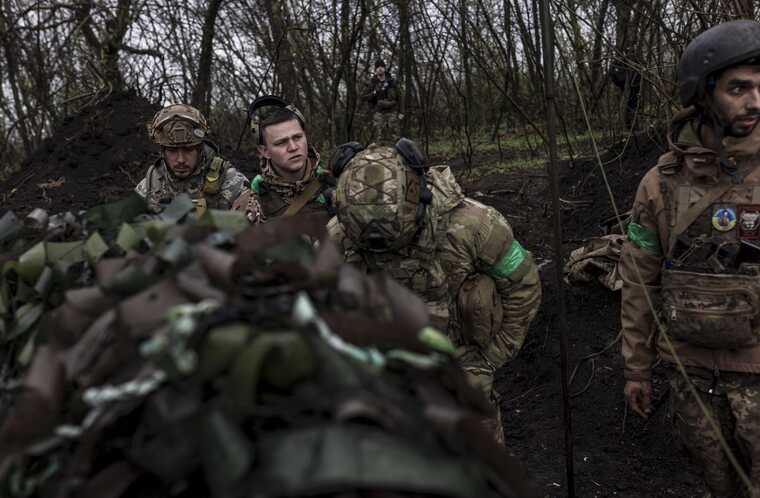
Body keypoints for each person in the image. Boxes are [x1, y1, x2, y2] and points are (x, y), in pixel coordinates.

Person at [621, 19, 760, 497]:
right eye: (738, 88)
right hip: (691, 373)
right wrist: (636, 367)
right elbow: (639, 277)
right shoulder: (660, 182)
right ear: (702, 93)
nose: (755, 102)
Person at [327, 139, 541, 443]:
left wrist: (492, 356)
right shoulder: (339, 235)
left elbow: (523, 284)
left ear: (418, 198)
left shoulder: (473, 225)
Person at [232, 96, 334, 223]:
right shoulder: (251, 204)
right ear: (265, 151)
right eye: (281, 143)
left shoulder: (335, 185)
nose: (293, 147)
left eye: (297, 137)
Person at [135, 103, 248, 214]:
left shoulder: (228, 180)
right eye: (172, 151)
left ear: (200, 149)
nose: (181, 160)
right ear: (163, 152)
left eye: (188, 150)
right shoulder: (151, 185)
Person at [363, 59, 399, 143]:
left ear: (384, 68)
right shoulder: (372, 83)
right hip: (378, 112)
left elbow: (399, 96)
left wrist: (401, 111)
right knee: (378, 136)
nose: (380, 68)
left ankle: (396, 154)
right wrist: (374, 93)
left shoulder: (391, 81)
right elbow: (364, 97)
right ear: (375, 70)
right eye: (378, 67)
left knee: (394, 135)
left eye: (382, 67)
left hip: (391, 111)